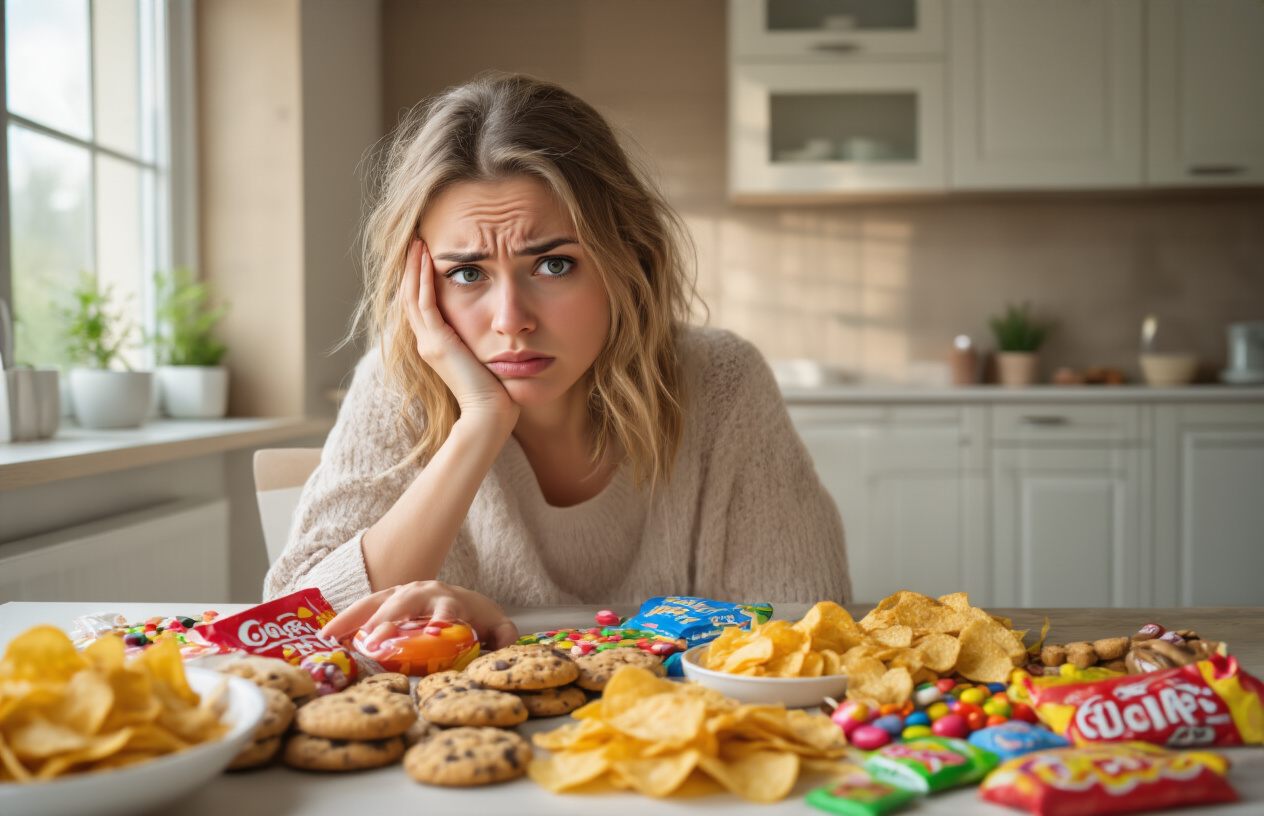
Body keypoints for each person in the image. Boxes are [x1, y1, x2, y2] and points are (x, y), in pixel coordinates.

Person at [264, 73, 850, 651]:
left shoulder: (722, 381)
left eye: (553, 265)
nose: (511, 319)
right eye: (467, 274)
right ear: (423, 291)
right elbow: (297, 629)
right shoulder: (399, 387)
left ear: (629, 259)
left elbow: (810, 631)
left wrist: (513, 639)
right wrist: (478, 426)